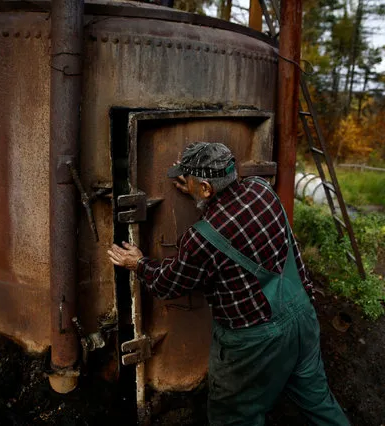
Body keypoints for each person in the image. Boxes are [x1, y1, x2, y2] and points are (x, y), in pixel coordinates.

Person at [108, 142, 349, 426]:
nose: (186, 183)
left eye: (191, 181)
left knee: (234, 418)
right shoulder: (262, 189)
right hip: (303, 318)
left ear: (207, 188)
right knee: (318, 401)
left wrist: (138, 263)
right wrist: (200, 193)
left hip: (255, 343)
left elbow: (168, 283)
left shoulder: (200, 239)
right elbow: (234, 219)